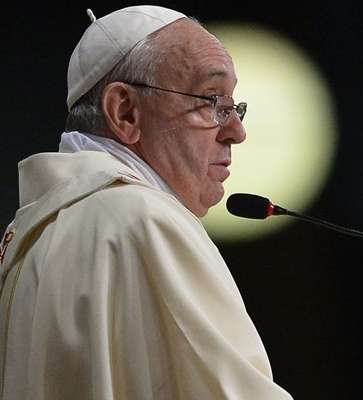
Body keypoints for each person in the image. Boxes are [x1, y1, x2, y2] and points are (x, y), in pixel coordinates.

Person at [0, 5, 293, 399]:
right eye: (211, 100)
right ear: (125, 112)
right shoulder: (144, 220)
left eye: (233, 106)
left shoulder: (24, 240)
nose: (236, 131)